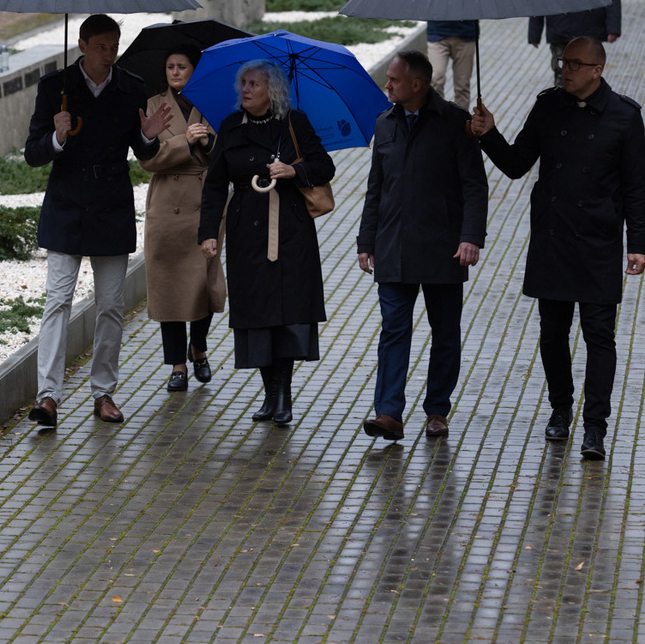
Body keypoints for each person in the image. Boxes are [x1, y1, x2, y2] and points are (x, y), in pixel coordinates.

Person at [471, 35, 645, 460]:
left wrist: (637, 244)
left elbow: (637, 187)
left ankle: (595, 427)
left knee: (599, 336)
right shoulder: (548, 106)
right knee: (552, 334)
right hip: (554, 238)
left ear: (597, 70)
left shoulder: (625, 116)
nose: (564, 69)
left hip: (598, 242)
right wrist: (488, 134)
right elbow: (516, 165)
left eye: (574, 64)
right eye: (563, 62)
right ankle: (560, 409)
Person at [24, 14, 172, 428]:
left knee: (111, 305)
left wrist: (148, 135)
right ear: (83, 46)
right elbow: (32, 152)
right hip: (66, 205)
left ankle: (103, 392)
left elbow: (143, 152)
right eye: (102, 47)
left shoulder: (131, 87)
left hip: (111, 205)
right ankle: (48, 396)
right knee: (57, 301)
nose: (109, 55)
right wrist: (56, 137)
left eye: (114, 46)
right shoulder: (55, 87)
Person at [356, 49, 488, 441]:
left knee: (445, 333)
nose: (387, 85)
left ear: (417, 84)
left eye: (394, 80)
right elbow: (376, 189)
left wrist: (471, 237)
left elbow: (474, 186)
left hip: (443, 247)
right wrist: (366, 241)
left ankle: (437, 411)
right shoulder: (385, 122)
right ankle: (388, 413)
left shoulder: (455, 123)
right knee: (394, 330)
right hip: (393, 246)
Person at [198, 60, 335, 425]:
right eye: (243, 83)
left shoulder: (294, 122)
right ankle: (270, 394)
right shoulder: (230, 126)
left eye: (253, 84)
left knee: (285, 313)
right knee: (256, 314)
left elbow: (325, 166)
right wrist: (208, 232)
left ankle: (284, 396)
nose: (245, 89)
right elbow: (215, 185)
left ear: (271, 91)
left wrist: (294, 170)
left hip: (290, 231)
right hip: (246, 233)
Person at [138, 47, 226, 392]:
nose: (175, 72)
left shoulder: (214, 101)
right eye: (170, 66)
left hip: (205, 202)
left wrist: (208, 143)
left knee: (205, 283)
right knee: (169, 286)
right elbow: (148, 160)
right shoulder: (152, 105)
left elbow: (226, 153)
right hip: (167, 205)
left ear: (194, 70)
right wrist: (184, 142)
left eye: (182, 66)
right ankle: (177, 364)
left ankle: (198, 347)